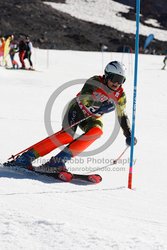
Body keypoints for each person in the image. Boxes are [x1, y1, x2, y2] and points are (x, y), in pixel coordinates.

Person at [5, 61, 137, 175]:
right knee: (67, 135)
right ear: (107, 75)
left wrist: (128, 133)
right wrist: (100, 106)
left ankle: (57, 163)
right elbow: (85, 98)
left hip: (93, 117)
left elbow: (122, 115)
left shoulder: (120, 95)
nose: (116, 83)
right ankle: (25, 158)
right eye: (114, 78)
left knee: (97, 132)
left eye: (121, 80)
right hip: (78, 109)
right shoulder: (95, 81)